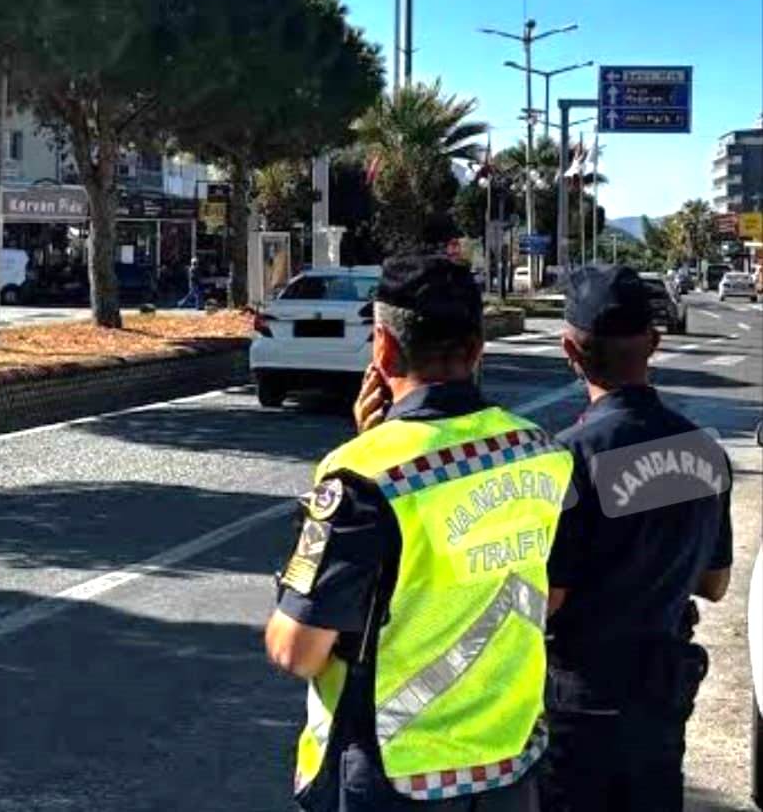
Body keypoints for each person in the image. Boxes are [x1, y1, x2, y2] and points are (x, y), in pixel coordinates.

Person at [265, 255, 573, 811]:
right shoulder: (543, 455)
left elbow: (297, 650)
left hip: (398, 777)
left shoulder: (361, 478)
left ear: (382, 348)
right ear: (478, 350)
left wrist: (370, 448)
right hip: (510, 764)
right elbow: (546, 595)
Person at [540, 264, 733, 812]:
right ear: (653, 343)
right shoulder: (703, 451)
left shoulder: (569, 458)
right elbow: (715, 584)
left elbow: (552, 596)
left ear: (570, 352)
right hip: (661, 694)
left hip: (582, 702)